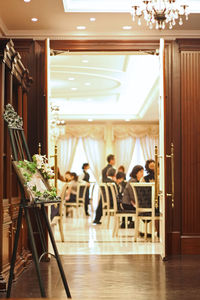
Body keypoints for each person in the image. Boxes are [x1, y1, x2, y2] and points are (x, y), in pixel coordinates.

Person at [93, 155, 115, 224]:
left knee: (101, 202)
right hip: (108, 190)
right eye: (114, 160)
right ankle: (97, 219)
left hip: (105, 190)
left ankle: (97, 219)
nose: (114, 161)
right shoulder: (110, 169)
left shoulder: (104, 168)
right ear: (111, 160)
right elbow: (107, 180)